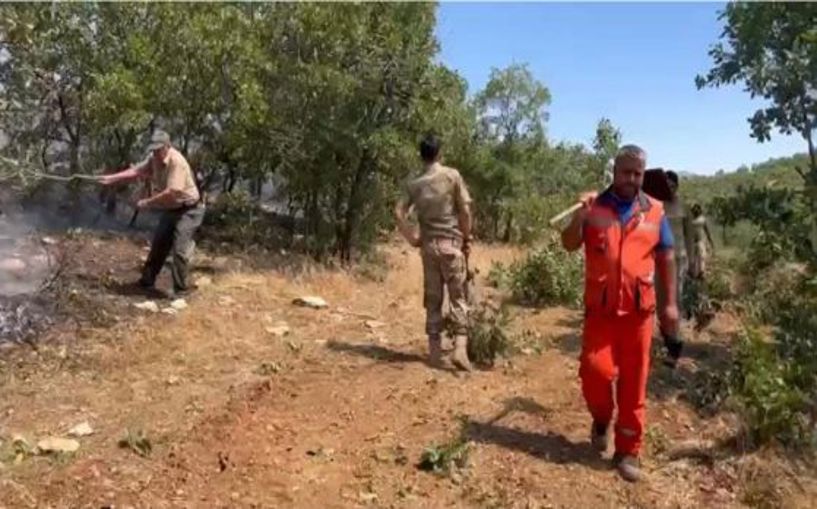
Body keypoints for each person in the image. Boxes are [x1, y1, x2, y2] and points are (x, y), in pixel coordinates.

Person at [561, 144, 679, 482]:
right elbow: (569, 244)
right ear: (614, 172)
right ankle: (601, 419)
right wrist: (577, 219)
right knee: (594, 374)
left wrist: (670, 304)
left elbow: (667, 256)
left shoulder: (655, 211)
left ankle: (629, 450)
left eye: (637, 174)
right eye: (625, 172)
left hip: (639, 315)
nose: (631, 179)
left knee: (634, 383)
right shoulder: (593, 207)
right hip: (600, 313)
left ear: (643, 174)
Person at [395, 134, 474, 372]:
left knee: (433, 299)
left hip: (428, 248)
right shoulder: (452, 176)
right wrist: (467, 235)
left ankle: (434, 352)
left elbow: (398, 211)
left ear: (422, 155)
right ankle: (460, 349)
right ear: (439, 153)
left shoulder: (415, 184)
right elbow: (465, 210)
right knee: (458, 297)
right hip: (451, 244)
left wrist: (413, 238)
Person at [99, 130, 204, 296]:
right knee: (159, 245)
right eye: (153, 150)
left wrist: (147, 202)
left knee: (179, 250)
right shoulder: (154, 159)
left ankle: (181, 290)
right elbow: (136, 171)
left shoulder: (177, 162)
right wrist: (112, 178)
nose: (156, 153)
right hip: (172, 208)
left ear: (168, 146)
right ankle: (146, 282)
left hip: (189, 210)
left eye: (159, 149)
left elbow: (172, 192)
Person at [689, 203, 715, 279]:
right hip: (693, 242)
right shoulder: (690, 220)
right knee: (695, 258)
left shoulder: (702, 220)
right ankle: (695, 273)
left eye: (697, 209)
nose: (696, 210)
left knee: (701, 257)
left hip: (700, 241)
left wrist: (710, 241)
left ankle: (701, 272)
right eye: (695, 209)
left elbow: (707, 231)